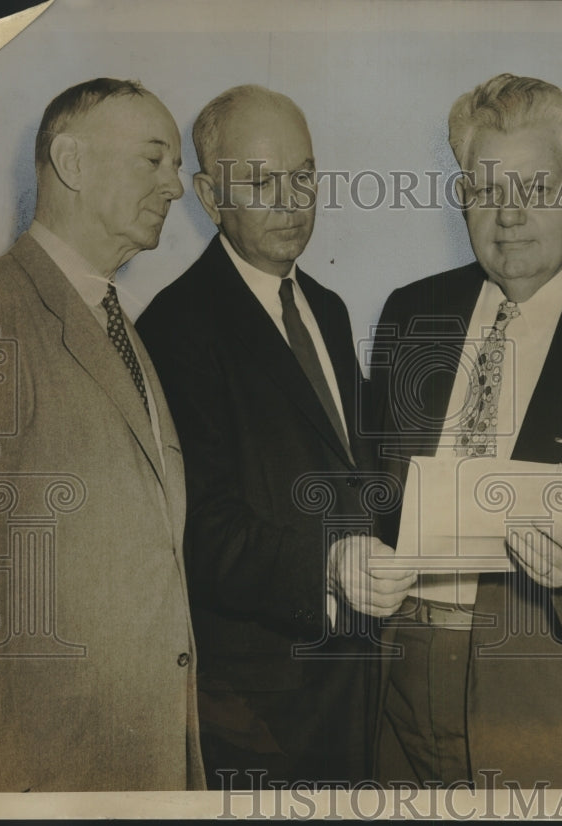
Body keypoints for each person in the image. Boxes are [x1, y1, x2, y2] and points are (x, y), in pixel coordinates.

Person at [338, 73, 562, 787]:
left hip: (552, 693)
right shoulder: (410, 314)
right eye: (486, 191)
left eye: (535, 189)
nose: (509, 216)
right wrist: (347, 550)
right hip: (404, 678)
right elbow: (366, 490)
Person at [136, 85, 380, 787]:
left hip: (353, 683)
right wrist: (328, 568)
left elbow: (350, 474)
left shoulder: (326, 308)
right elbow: (200, 530)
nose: (291, 201)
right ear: (211, 199)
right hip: (258, 708)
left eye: (303, 176)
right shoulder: (176, 328)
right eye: (261, 182)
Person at [0, 78, 204, 791]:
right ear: (71, 163)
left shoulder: (124, 326)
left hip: (145, 758)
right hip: (43, 770)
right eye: (154, 160)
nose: (177, 186)